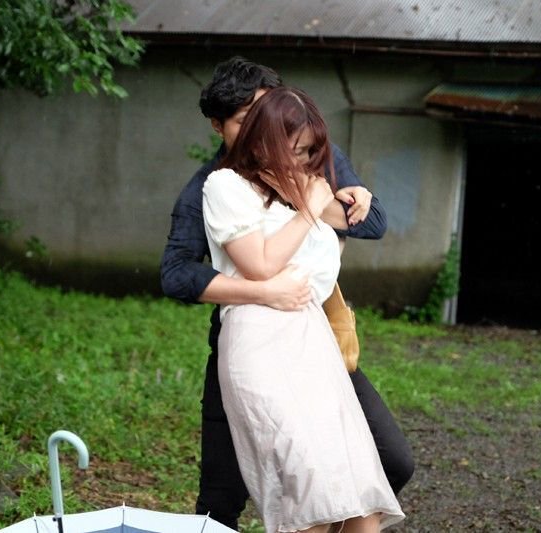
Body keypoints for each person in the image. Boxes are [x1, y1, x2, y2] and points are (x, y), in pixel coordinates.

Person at [160, 57, 413, 529]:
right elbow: (176, 274)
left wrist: (344, 195)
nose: (268, 129)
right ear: (217, 126)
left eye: (271, 112)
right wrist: (260, 292)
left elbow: (372, 222)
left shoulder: (307, 153)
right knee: (222, 496)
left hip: (317, 338)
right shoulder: (213, 186)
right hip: (254, 342)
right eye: (247, 119)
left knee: (385, 465)